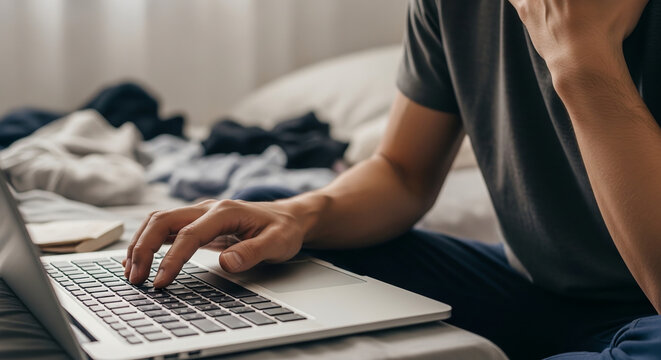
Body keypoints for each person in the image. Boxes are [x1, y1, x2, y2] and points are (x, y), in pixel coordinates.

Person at [122, 0, 661, 359]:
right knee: (269, 222)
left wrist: (582, 61)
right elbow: (402, 172)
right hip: (532, 285)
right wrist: (297, 215)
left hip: (648, 312)